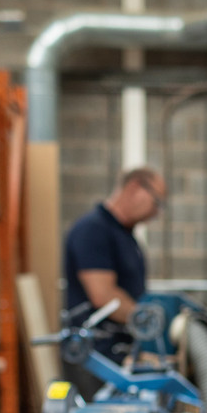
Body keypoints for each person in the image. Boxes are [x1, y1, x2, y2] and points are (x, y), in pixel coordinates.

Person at [62, 166, 167, 398]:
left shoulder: (125, 236)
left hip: (118, 356)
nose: (156, 212)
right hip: (95, 359)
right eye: (156, 201)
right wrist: (147, 321)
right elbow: (103, 295)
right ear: (135, 188)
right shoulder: (93, 230)